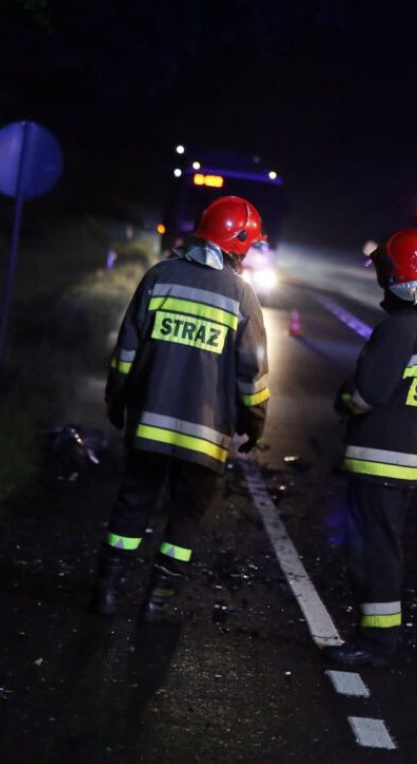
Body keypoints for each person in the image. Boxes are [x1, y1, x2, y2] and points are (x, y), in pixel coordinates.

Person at [89, 196, 269, 620]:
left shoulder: (159, 277)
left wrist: (117, 399)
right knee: (185, 517)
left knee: (133, 503)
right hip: (205, 440)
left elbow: (126, 352)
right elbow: (252, 377)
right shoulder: (242, 297)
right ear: (239, 244)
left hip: (148, 427)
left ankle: (107, 593)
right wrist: (255, 425)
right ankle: (155, 603)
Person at [329, 228, 417, 668]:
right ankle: (376, 638)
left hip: (377, 459)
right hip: (406, 462)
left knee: (371, 552)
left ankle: (375, 643)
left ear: (392, 275)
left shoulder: (399, 329)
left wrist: (343, 398)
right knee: (383, 549)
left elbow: (368, 393)